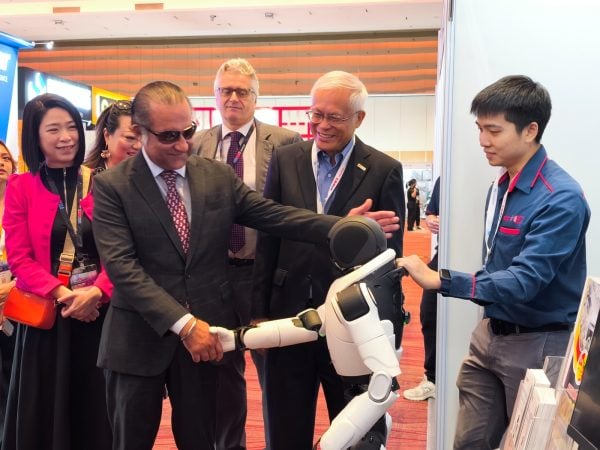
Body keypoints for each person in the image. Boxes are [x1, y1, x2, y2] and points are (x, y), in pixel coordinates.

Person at [91, 80, 399, 450]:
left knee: (202, 439)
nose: (183, 145)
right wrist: (185, 325)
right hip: (138, 341)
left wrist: (340, 226)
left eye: (188, 132)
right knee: (130, 440)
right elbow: (123, 268)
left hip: (206, 336)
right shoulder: (112, 186)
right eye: (169, 136)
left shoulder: (216, 176)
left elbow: (274, 215)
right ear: (141, 132)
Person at [396, 75, 590, 449]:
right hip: (489, 336)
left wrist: (442, 280)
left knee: (533, 444)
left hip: (538, 345)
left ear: (530, 130)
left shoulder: (561, 198)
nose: (483, 140)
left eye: (494, 130)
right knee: (469, 442)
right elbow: (496, 263)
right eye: (480, 129)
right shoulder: (501, 186)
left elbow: (524, 281)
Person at [252, 70, 405, 450]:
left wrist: (387, 334)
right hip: (288, 315)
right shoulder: (286, 159)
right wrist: (259, 313)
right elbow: (269, 235)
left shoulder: (383, 169)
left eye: (334, 117)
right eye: (315, 114)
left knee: (354, 431)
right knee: (284, 427)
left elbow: (390, 262)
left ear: (359, 118)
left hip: (353, 323)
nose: (321, 125)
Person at [191, 58, 302, 450]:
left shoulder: (286, 142)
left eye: (242, 91)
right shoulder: (196, 144)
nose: (233, 98)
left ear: (256, 97)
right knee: (222, 372)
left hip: (262, 274)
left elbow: (292, 211)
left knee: (274, 370)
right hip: (214, 277)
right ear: (215, 96)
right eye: (226, 90)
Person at [2, 93, 114, 450]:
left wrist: (97, 292)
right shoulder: (22, 187)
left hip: (100, 314)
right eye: (53, 129)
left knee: (98, 410)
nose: (66, 137)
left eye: (71, 127)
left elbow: (120, 252)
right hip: (48, 318)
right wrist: (66, 296)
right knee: (47, 413)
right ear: (35, 137)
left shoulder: (103, 183)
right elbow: (20, 259)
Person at [403, 176, 439, 401]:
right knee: (429, 313)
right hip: (443, 255)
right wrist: (433, 220)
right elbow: (431, 212)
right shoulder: (445, 180)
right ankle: (432, 377)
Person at [0, 142, 17, 446]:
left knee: (14, 383)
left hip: (19, 301)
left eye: (5, 157)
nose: (1, 163)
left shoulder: (23, 204)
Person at [84, 99, 140, 172]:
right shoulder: (85, 175)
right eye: (130, 138)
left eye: (144, 138)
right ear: (107, 135)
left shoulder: (150, 176)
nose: (139, 146)